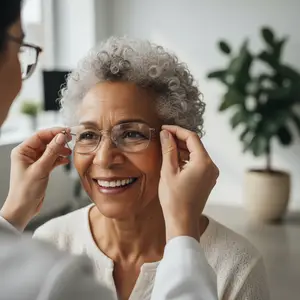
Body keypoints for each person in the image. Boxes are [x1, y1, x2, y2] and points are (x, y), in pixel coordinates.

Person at [10, 36, 268, 299]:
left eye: (132, 134)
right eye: (88, 135)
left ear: (178, 144)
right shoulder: (51, 242)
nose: (104, 159)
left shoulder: (236, 266)